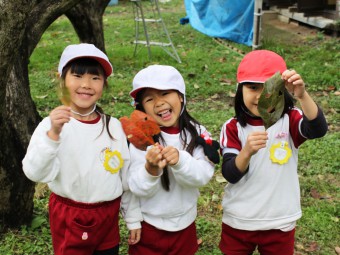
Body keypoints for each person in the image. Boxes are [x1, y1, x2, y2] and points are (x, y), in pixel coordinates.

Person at [22, 43, 142, 255]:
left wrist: (132, 218)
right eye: (77, 76)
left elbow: (125, 177)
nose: (86, 84)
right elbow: (34, 173)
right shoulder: (52, 125)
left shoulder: (113, 127)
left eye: (95, 78)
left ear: (104, 84)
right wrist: (53, 135)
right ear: (62, 79)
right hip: (69, 214)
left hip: (107, 214)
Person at [219, 50, 328, 255]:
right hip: (240, 219)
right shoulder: (233, 128)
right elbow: (230, 174)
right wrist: (247, 152)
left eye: (269, 88)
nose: (261, 95)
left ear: (282, 91)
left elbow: (318, 129)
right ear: (239, 89)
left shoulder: (290, 120)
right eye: (252, 87)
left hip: (280, 220)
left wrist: (302, 95)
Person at [127, 65, 217, 255]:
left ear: (181, 97)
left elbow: (202, 176)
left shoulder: (198, 133)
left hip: (186, 225)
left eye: (165, 93)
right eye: (150, 99)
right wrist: (150, 170)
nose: (159, 103)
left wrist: (180, 161)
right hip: (148, 227)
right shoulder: (140, 139)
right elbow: (134, 187)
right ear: (141, 108)